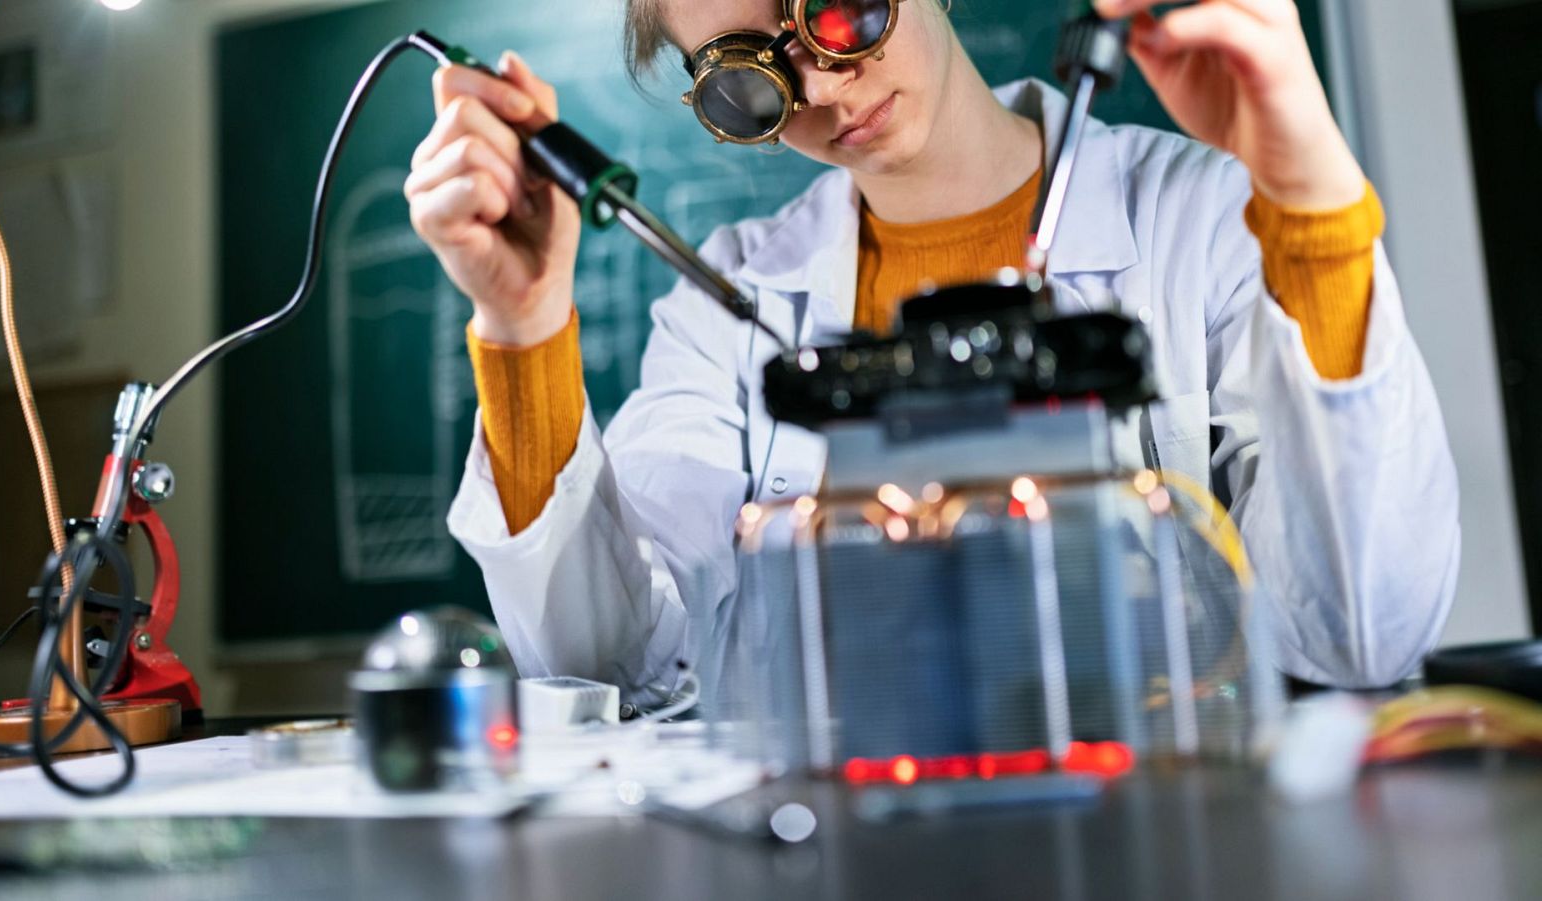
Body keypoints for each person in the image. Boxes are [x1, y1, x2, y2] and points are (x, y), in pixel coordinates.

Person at [406, 0, 1459, 703]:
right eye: (747, 80)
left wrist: (1309, 192)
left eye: (838, 12)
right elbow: (611, 671)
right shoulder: (728, 299)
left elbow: (1361, 632)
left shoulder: (1205, 212)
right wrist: (524, 322)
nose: (819, 89)